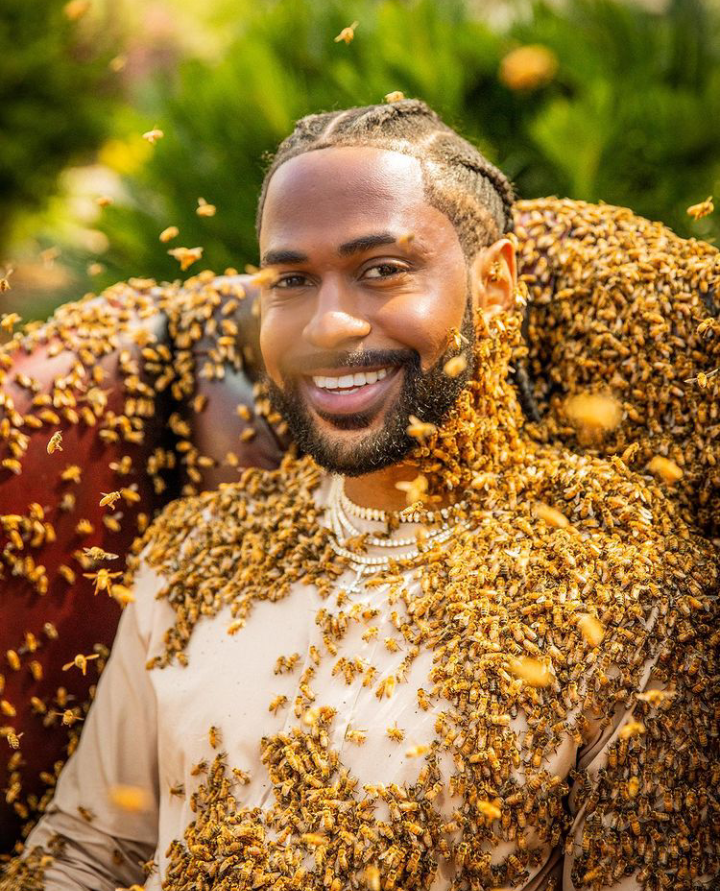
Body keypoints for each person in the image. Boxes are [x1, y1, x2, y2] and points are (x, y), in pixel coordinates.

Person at [1, 100, 717, 891]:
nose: (331, 322)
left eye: (381, 270)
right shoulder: (193, 553)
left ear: (498, 283)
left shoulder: (629, 589)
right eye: (293, 280)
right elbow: (85, 852)